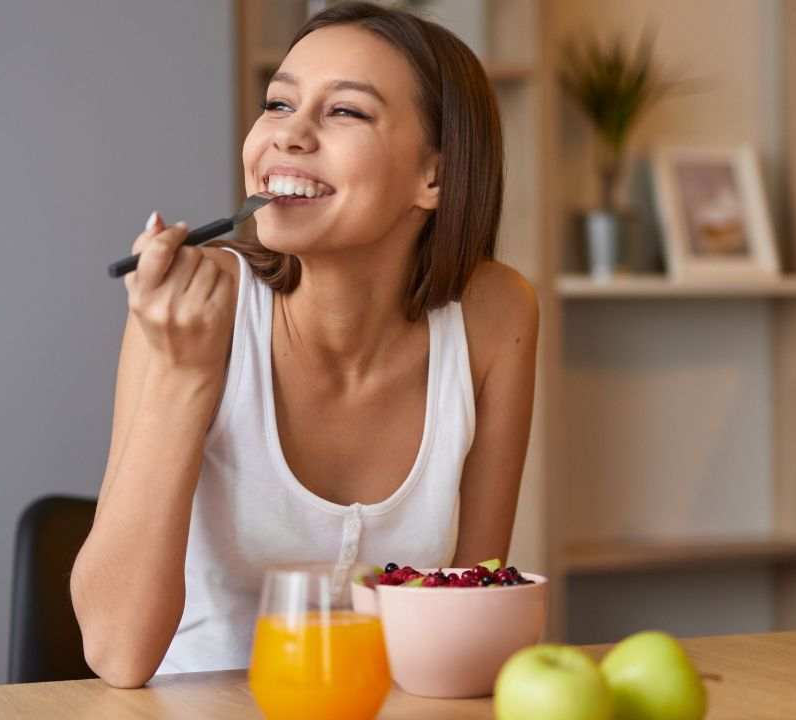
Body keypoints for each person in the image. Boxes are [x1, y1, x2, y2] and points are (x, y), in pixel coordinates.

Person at [70, 1, 538, 688]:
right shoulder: (196, 310)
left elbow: (464, 622)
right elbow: (116, 653)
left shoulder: (495, 315)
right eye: (278, 103)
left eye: (344, 111)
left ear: (433, 177)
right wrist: (185, 375)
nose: (287, 136)